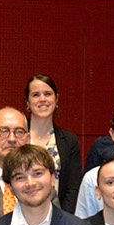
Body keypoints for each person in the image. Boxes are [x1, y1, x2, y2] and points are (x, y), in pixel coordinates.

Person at [25, 74, 82, 213]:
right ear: (27, 102)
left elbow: (72, 188)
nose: (42, 99)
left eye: (47, 94)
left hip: (57, 214)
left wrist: (64, 218)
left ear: (56, 99)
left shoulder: (69, 141)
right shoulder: (17, 136)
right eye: (36, 95)